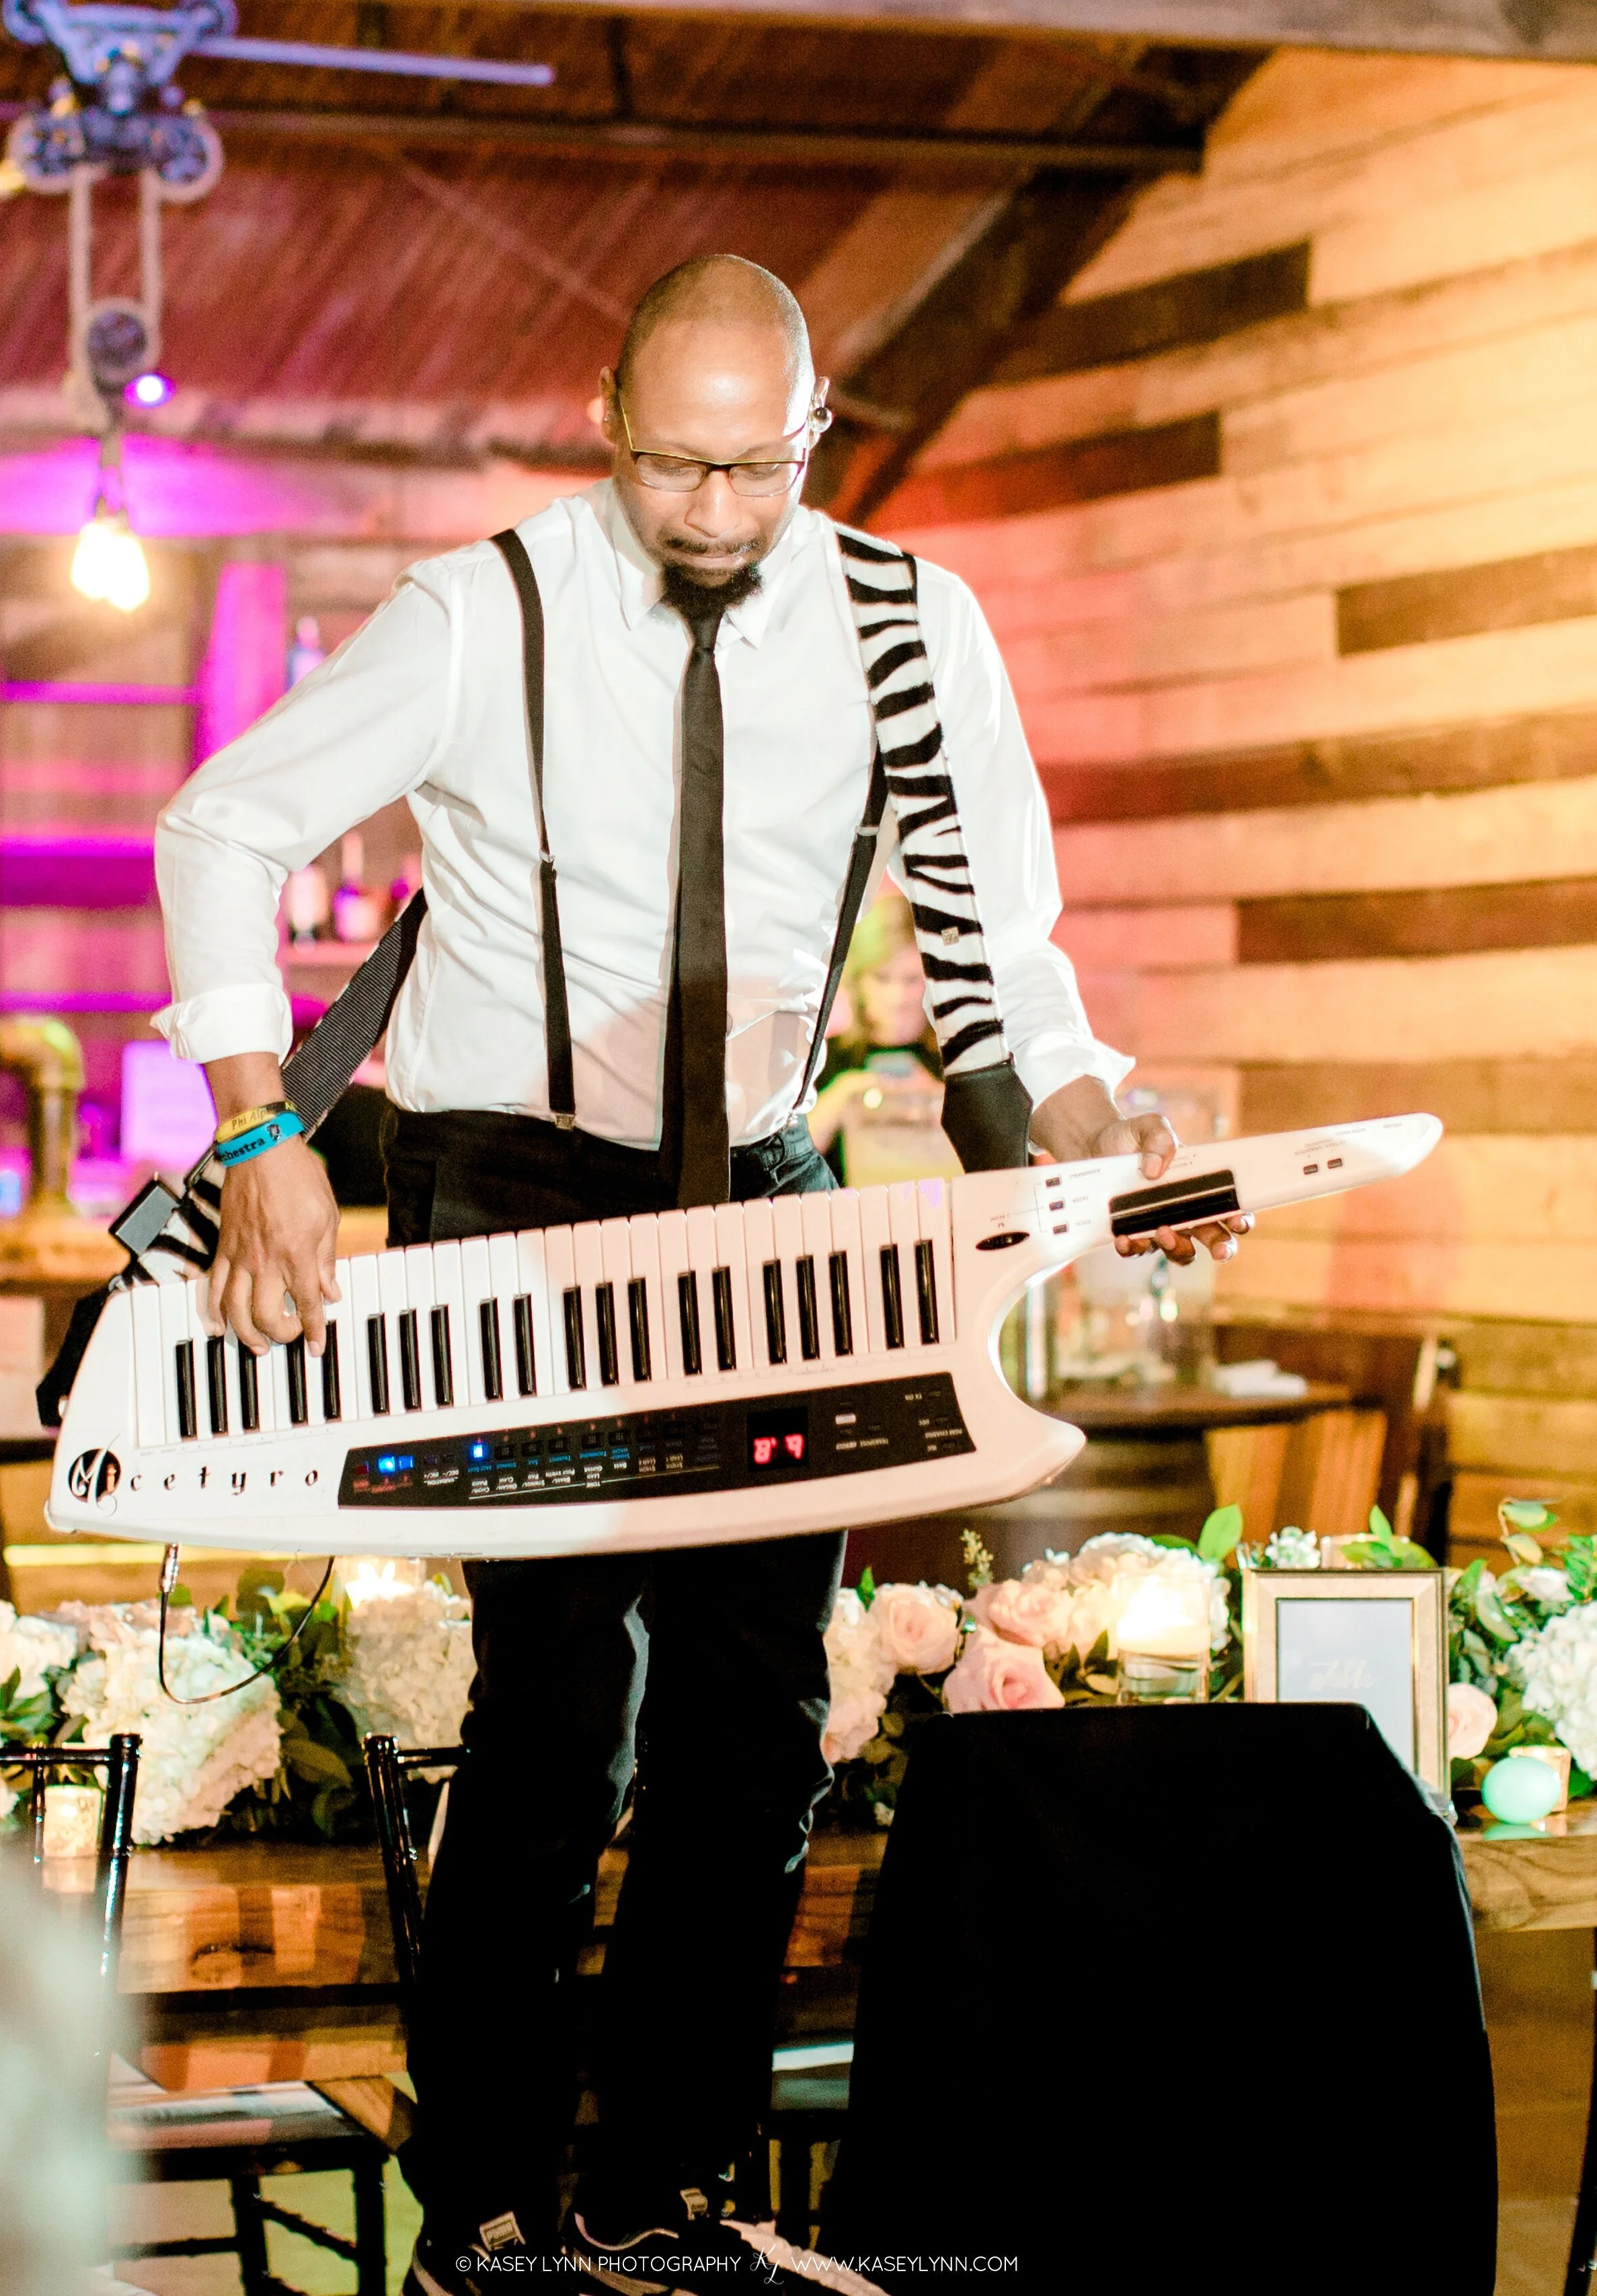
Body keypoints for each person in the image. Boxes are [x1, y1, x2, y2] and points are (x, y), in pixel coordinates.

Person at [152, 254, 1249, 2293]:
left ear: (812, 433)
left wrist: (1091, 1114)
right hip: (511, 1184)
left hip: (766, 1184)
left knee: (758, 1720)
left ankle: (665, 2182)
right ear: (601, 413)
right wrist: (256, 1126)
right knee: (555, 1699)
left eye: (758, 465)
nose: (719, 511)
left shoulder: (909, 623)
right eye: (677, 464)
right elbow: (219, 823)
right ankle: (485, 2193)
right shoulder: (482, 607)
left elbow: (1000, 945)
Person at [807, 889, 954, 1188]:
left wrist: (943, 1104)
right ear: (858, 980)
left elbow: (1010, 1166)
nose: (897, 997)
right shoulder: (823, 1060)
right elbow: (787, 1167)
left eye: (912, 980)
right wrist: (839, 1099)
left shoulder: (959, 1060)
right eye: (882, 977)